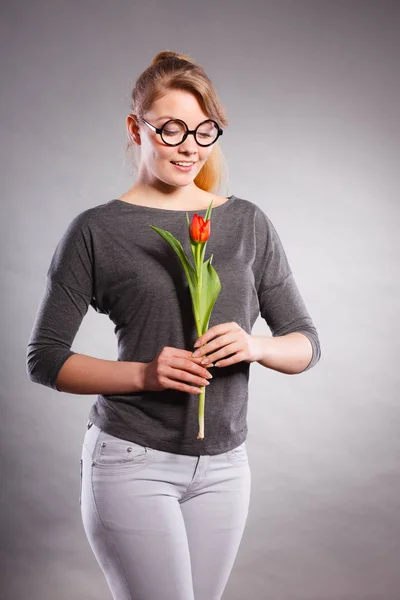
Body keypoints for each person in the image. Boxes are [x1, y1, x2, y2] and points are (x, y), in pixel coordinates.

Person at [26, 50, 321, 600]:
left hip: (226, 466)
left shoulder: (246, 222)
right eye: (171, 129)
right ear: (137, 128)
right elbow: (45, 358)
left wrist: (256, 346)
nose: (190, 145)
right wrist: (144, 375)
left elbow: (306, 344)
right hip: (131, 461)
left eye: (204, 130)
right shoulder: (96, 230)